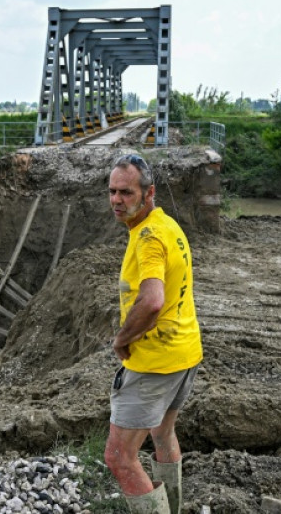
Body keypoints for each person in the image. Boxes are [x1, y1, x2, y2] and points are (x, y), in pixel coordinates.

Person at [104, 154, 202, 514]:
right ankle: (172, 507)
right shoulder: (167, 225)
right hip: (183, 354)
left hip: (155, 364)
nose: (117, 200)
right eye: (112, 191)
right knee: (162, 434)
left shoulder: (148, 238)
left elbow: (152, 301)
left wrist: (121, 339)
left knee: (119, 457)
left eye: (126, 192)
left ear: (149, 193)